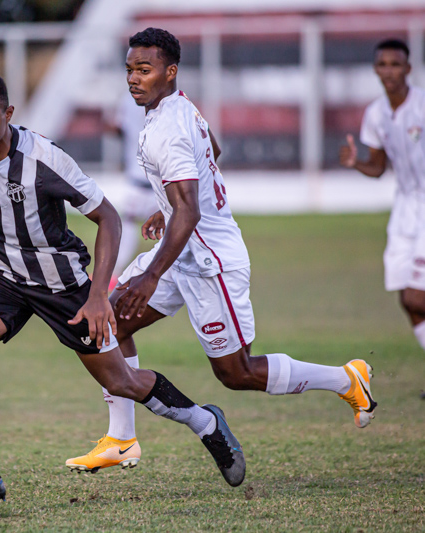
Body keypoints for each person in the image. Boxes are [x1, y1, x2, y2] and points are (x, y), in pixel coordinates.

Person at [0, 72, 247, 505]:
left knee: (122, 380)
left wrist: (96, 297)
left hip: (62, 282)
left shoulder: (43, 159)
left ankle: (204, 421)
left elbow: (108, 218)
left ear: (8, 115)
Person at [66, 28, 377, 474]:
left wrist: (152, 270)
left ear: (170, 72)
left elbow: (189, 213)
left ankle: (347, 378)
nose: (134, 79)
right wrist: (166, 207)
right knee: (107, 322)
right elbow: (213, 149)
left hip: (211, 263)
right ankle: (121, 438)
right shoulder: (177, 107)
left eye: (145, 70)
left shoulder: (168, 128)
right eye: (130, 70)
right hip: (183, 252)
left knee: (237, 373)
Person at [339, 39, 425, 398]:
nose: (389, 70)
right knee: (407, 300)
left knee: (417, 295)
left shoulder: (421, 105)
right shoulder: (376, 113)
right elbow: (377, 167)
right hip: (405, 208)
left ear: (408, 68)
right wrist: (354, 163)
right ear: (376, 69)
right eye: (383, 64)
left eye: (396, 64)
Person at [108, 92, 159, 290]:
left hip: (139, 179)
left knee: (128, 222)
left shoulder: (128, 100)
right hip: (160, 181)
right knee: (173, 227)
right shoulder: (165, 99)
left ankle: (116, 273)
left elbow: (115, 126)